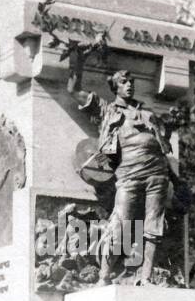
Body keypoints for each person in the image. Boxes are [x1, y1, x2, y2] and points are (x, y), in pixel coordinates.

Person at [76, 69, 177, 285]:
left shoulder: (147, 113)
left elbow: (164, 144)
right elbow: (73, 90)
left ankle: (146, 277)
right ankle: (104, 275)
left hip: (157, 173)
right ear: (115, 86)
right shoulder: (107, 109)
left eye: (131, 81)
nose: (129, 85)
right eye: (123, 82)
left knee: (153, 226)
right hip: (128, 174)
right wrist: (78, 61)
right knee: (120, 222)